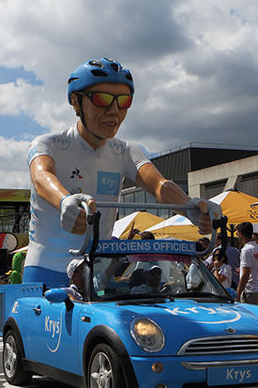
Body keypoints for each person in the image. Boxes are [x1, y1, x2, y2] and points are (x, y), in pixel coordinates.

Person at [25, 57, 216, 287]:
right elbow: (41, 175)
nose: (114, 111)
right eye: (102, 99)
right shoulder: (49, 144)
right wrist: (64, 200)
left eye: (123, 101)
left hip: (97, 272)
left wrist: (190, 206)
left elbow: (158, 185)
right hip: (47, 268)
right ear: (76, 102)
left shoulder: (124, 151)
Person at [236, 222, 258, 306]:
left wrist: (238, 293)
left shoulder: (246, 250)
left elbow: (246, 274)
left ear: (240, 234)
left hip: (252, 292)